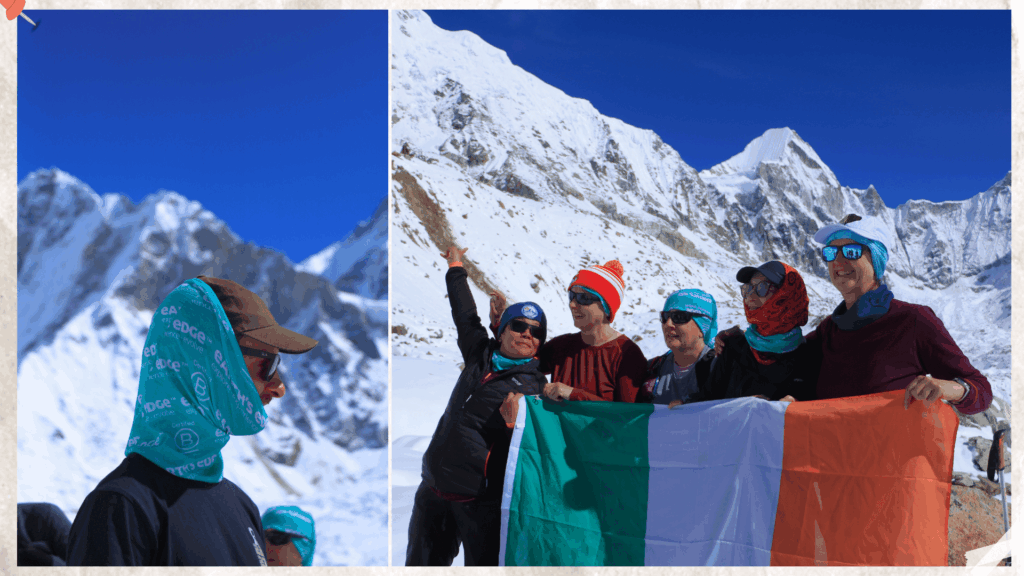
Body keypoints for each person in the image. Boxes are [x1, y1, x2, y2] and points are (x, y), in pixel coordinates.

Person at [67, 276, 319, 566]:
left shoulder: (243, 507)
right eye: (268, 364)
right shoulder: (121, 508)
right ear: (208, 359)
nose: (279, 386)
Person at [408, 246, 547, 567]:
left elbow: (536, 451)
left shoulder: (534, 387)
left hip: (478, 503)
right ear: (502, 330)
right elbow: (464, 312)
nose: (526, 334)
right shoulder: (479, 354)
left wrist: (517, 425)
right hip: (432, 490)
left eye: (535, 331)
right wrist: (455, 264)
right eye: (519, 326)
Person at [808, 215, 991, 414]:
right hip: (832, 445)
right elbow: (788, 369)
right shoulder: (828, 329)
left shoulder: (913, 320)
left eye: (852, 252)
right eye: (831, 252)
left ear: (876, 258)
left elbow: (981, 391)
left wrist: (952, 388)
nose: (838, 261)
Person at [492, 259, 647, 403]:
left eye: (583, 298)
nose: (573, 304)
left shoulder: (627, 354)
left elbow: (630, 416)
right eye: (572, 296)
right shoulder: (562, 346)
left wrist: (573, 394)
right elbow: (519, 357)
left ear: (606, 307)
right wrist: (502, 326)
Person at [698, 261, 818, 403]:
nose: (751, 296)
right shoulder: (733, 346)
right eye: (748, 288)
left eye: (762, 287)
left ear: (786, 293)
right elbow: (707, 398)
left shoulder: (809, 355)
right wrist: (684, 407)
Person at [641, 289, 719, 407]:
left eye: (679, 317)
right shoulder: (653, 369)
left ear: (703, 327)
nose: (668, 324)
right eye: (665, 316)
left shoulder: (720, 368)